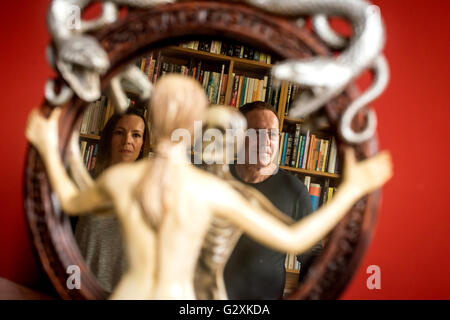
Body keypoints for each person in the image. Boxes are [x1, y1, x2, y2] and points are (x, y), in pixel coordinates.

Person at [26, 74, 392, 300]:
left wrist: (49, 144)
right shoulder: (210, 189)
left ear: (153, 124)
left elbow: (71, 200)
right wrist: (351, 189)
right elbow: (294, 240)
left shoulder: (122, 179)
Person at [224, 101, 322, 299]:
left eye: (273, 134)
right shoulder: (216, 180)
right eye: (258, 133)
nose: (267, 141)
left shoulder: (294, 190)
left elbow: (312, 255)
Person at [74, 106, 151, 293]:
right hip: (80, 289)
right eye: (120, 133)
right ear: (109, 138)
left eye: (136, 135)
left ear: (142, 145)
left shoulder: (150, 193)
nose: (127, 141)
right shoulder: (84, 182)